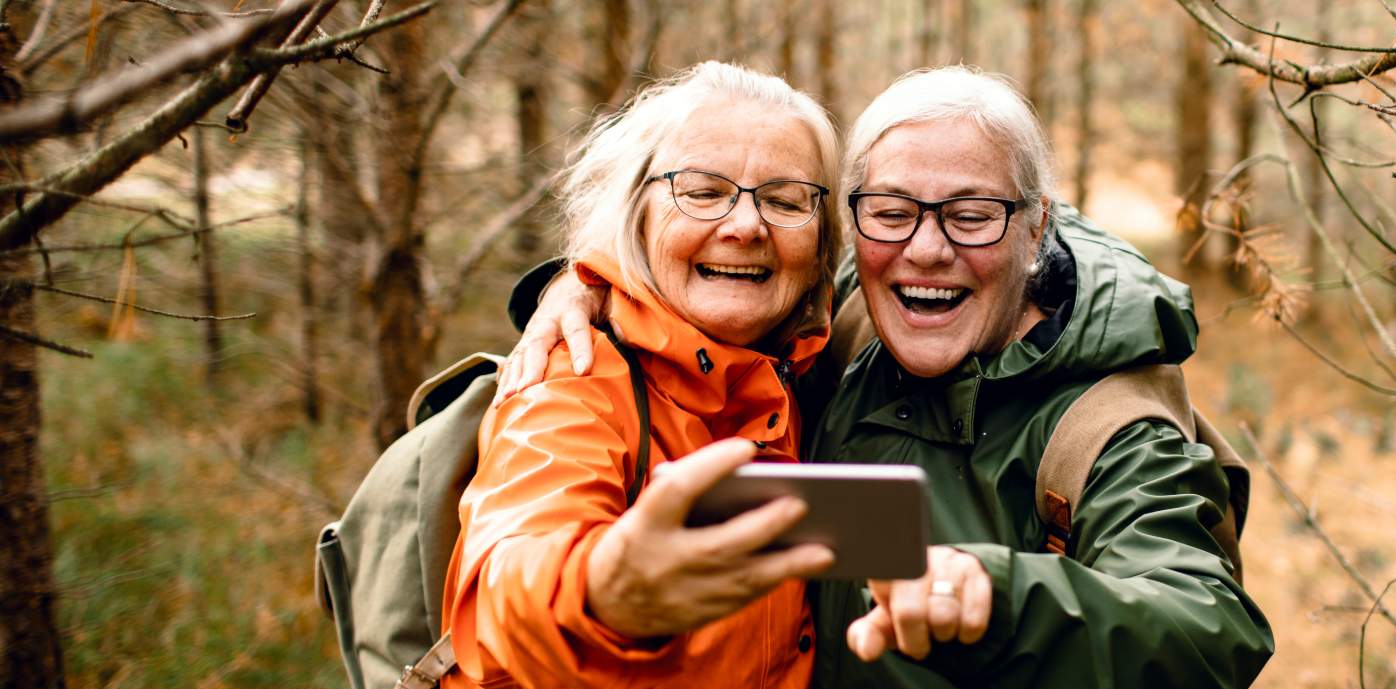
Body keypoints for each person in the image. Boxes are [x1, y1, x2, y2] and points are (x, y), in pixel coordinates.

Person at [509, 67, 1273, 688]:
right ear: (855, 221)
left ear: (1037, 224)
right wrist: (584, 284)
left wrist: (999, 599)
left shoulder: (1107, 427)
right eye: (893, 210)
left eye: (971, 214)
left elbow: (1208, 627)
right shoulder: (843, 330)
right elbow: (715, 259)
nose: (926, 249)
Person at [439, 62, 844, 689]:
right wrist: (606, 593)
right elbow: (506, 582)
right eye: (703, 192)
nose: (745, 225)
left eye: (785, 200)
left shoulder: (815, 369)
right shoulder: (574, 377)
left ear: (822, 242)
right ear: (638, 214)